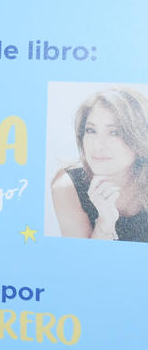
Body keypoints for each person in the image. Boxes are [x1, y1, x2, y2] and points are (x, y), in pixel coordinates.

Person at [50, 86, 148, 242]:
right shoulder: (68, 186)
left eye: (114, 132)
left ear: (139, 138)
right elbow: (84, 257)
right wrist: (105, 221)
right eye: (91, 130)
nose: (97, 145)